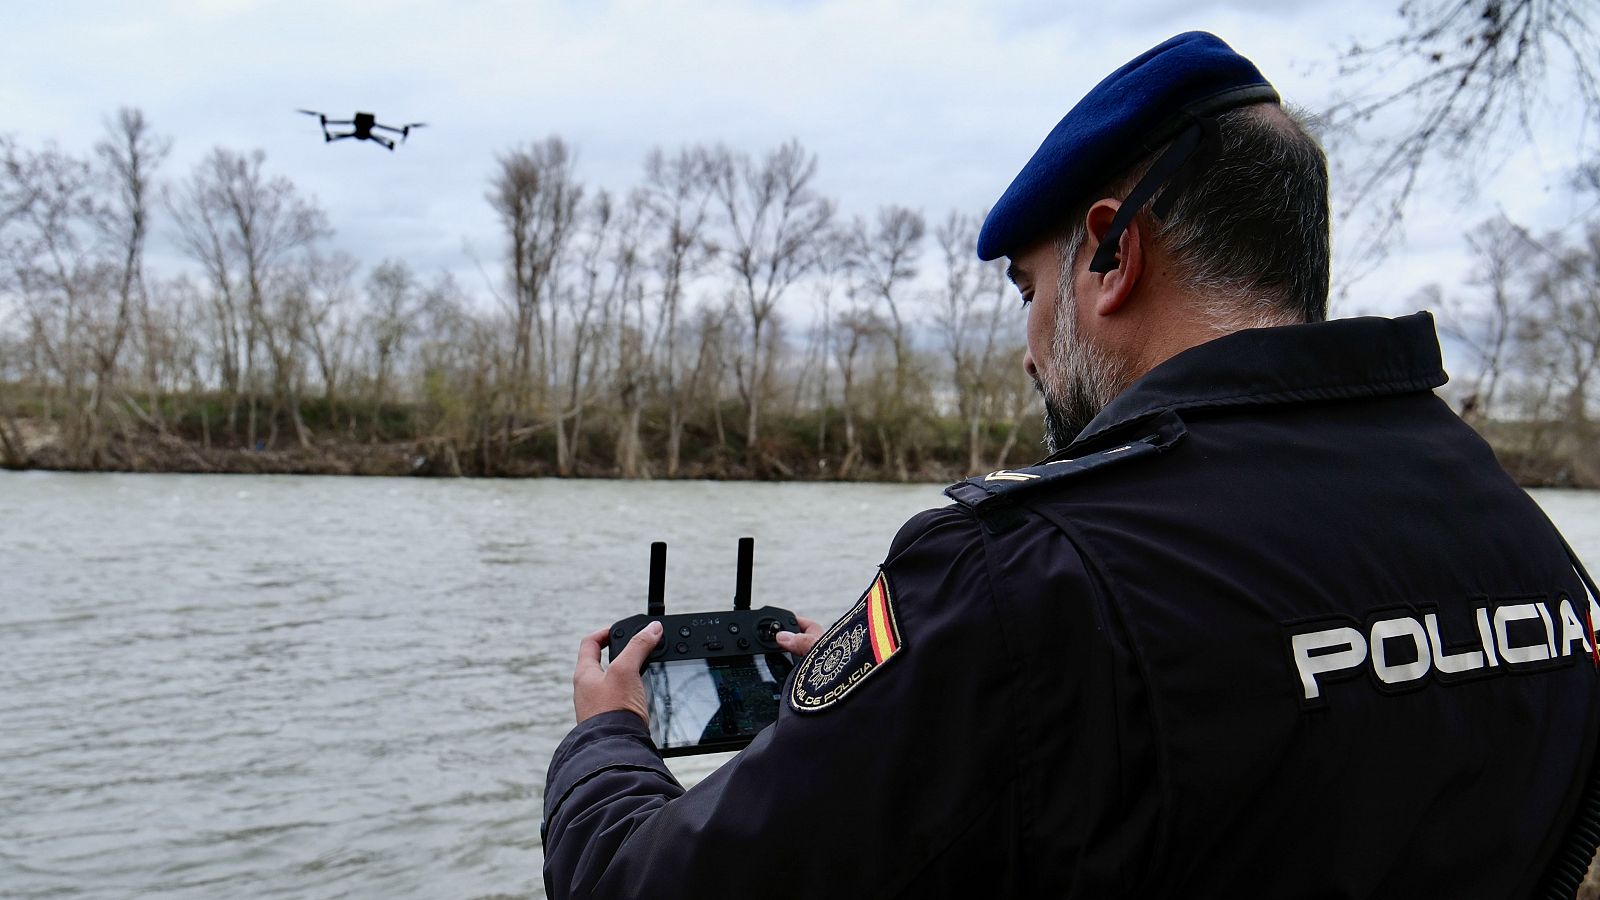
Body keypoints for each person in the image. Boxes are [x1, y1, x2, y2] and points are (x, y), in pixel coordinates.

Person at [541, 31, 1600, 898]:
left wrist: (608, 742)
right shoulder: (1527, 543)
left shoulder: (1024, 577)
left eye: (1024, 289)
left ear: (1110, 252)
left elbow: (645, 887)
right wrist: (913, 686)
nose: (1028, 346)